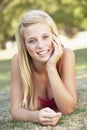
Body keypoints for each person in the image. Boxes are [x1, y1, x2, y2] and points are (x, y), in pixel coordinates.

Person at [11, 9, 77, 126]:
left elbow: (68, 109)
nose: (40, 46)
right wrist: (36, 116)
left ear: (54, 37)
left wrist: (51, 66)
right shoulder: (18, 61)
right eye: (32, 41)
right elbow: (16, 110)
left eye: (45, 37)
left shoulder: (66, 55)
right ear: (24, 45)